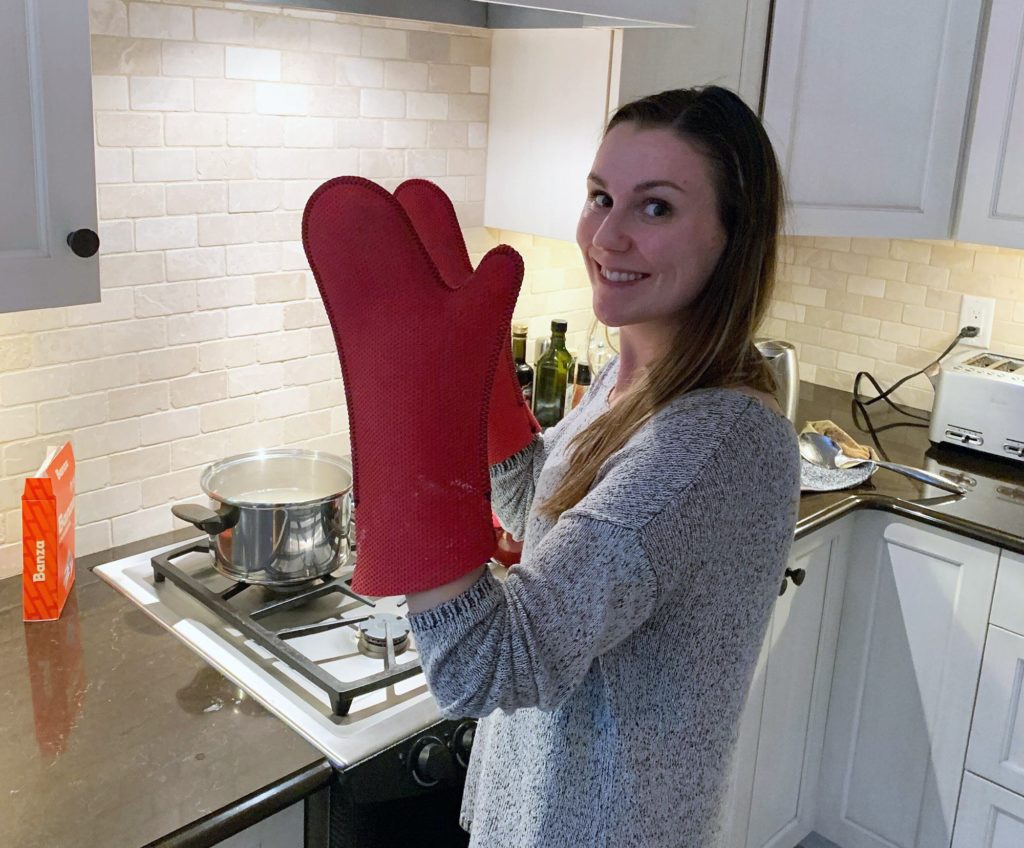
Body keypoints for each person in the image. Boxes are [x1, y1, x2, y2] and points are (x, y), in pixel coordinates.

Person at [400, 85, 801, 847]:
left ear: (730, 236)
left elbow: (486, 666)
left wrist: (407, 425)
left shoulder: (710, 445)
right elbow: (541, 522)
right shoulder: (631, 384)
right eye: (599, 197)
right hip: (534, 813)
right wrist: (470, 376)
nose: (606, 236)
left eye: (656, 207)